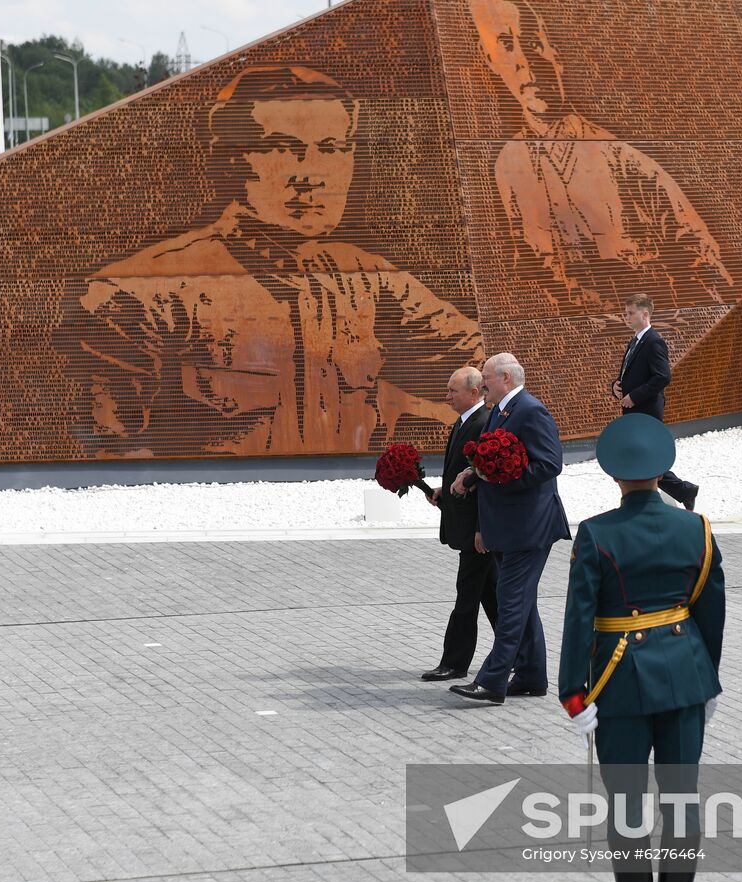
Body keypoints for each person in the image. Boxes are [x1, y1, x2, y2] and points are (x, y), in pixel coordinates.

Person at [60, 65, 483, 459]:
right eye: (284, 148)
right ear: (231, 157)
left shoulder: (374, 281)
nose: (312, 173)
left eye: (333, 148)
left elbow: (486, 365)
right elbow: (113, 454)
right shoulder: (140, 292)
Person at [559, 413, 724, 882]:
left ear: (614, 476)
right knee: (681, 800)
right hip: (684, 675)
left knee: (626, 805)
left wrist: (572, 690)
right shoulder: (695, 527)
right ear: (663, 471)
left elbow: (578, 618)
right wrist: (709, 678)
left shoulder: (596, 533)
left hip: (619, 681)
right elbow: (712, 613)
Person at [467, 0, 732, 313]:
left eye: (535, 43)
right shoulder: (508, 164)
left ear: (556, 55)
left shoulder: (617, 155)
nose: (526, 61)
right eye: (507, 46)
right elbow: (525, 265)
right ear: (490, 62)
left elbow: (697, 245)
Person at [447, 353, 569, 704]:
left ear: (505, 378)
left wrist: (499, 478)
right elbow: (486, 459)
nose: (482, 382)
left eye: (485, 376)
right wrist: (471, 476)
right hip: (509, 525)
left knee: (511, 602)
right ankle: (531, 677)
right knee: (521, 602)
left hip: (530, 527)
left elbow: (549, 464)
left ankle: (492, 680)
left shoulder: (531, 410)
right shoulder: (500, 412)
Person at [422, 366, 497, 681]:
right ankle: (521, 653)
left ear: (474, 392)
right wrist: (445, 492)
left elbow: (487, 482)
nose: (447, 396)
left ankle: (455, 662)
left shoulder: (483, 424)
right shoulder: (465, 421)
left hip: (475, 533)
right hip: (466, 525)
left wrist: (483, 527)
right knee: (491, 597)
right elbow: (463, 472)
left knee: (467, 595)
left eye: (453, 390)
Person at [612, 292, 699, 509]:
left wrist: (635, 396)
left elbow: (663, 376)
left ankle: (676, 491)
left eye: (630, 313)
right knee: (641, 455)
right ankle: (682, 490)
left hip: (646, 410)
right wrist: (616, 386)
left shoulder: (654, 342)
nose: (626, 317)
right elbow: (630, 373)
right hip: (635, 409)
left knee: (644, 455)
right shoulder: (636, 341)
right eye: (625, 313)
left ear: (645, 314)